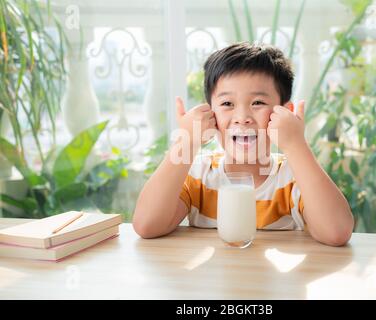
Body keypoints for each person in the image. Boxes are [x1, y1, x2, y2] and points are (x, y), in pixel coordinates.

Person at [133, 42, 354, 246]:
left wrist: (296, 144)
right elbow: (146, 225)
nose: (242, 117)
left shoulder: (295, 177)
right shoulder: (199, 176)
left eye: (258, 102)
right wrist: (187, 141)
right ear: (211, 114)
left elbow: (336, 232)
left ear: (283, 113)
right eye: (227, 103)